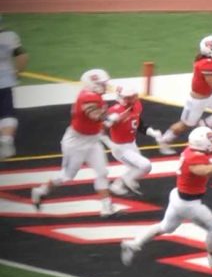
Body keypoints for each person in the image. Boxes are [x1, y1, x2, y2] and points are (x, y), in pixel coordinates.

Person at [120, 127, 212, 269]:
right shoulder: (195, 157)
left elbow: (205, 165)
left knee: (165, 227)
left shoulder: (191, 151)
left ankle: (134, 244)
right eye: (210, 140)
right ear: (203, 143)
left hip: (178, 197)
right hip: (189, 204)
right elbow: (204, 170)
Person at [30, 69, 120, 218]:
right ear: (93, 85)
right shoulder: (88, 97)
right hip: (76, 142)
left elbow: (97, 122)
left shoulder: (95, 96)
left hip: (92, 140)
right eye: (103, 83)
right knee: (66, 176)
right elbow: (95, 116)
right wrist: (111, 117)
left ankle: (106, 207)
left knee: (102, 172)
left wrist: (105, 130)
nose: (106, 85)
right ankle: (40, 191)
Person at [158, 35, 212, 155]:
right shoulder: (208, 64)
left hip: (209, 96)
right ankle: (164, 140)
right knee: (184, 125)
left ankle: (205, 124)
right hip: (197, 101)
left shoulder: (210, 60)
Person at [102, 86, 164, 196]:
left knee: (134, 168)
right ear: (122, 98)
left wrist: (152, 132)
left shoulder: (137, 105)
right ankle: (127, 179)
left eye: (134, 96)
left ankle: (116, 186)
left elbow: (137, 123)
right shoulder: (114, 111)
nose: (134, 99)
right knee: (145, 166)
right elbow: (100, 130)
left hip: (131, 143)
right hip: (120, 148)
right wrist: (110, 142)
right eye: (129, 97)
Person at [0, 15, 28, 159]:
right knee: (6, 113)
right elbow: (22, 56)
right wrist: (18, 72)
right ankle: (6, 143)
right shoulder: (9, 36)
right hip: (5, 81)